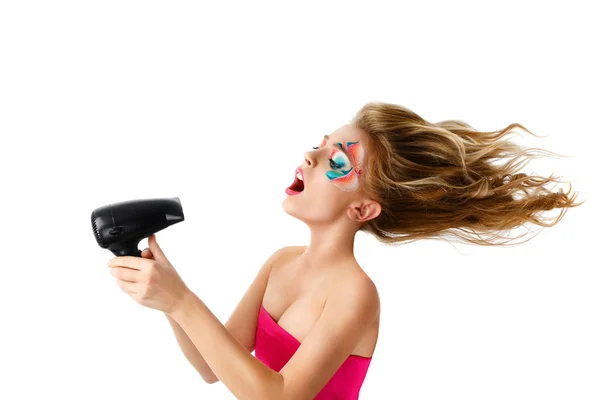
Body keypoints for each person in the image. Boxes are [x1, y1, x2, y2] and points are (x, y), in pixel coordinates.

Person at [116, 101, 584, 399]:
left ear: (362, 210)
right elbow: (209, 367)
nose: (310, 157)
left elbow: (277, 398)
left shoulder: (355, 294)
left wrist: (180, 300)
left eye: (337, 162)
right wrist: (166, 297)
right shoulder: (279, 263)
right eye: (321, 147)